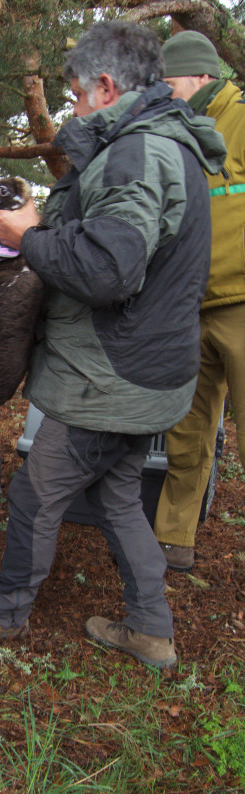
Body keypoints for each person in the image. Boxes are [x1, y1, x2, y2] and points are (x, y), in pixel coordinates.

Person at [0, 21, 226, 669]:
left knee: (37, 494)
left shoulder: (137, 154)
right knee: (118, 495)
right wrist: (48, 219)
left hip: (114, 379)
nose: (70, 107)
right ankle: (151, 626)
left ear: (104, 85)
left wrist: (29, 237)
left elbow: (107, 270)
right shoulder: (163, 144)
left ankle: (3, 612)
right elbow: (118, 239)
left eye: (73, 95)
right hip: (152, 371)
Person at [153, 30, 245, 572]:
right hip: (191, 307)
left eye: (168, 82)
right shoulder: (175, 133)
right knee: (186, 435)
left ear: (201, 76)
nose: (162, 92)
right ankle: (172, 542)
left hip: (241, 302)